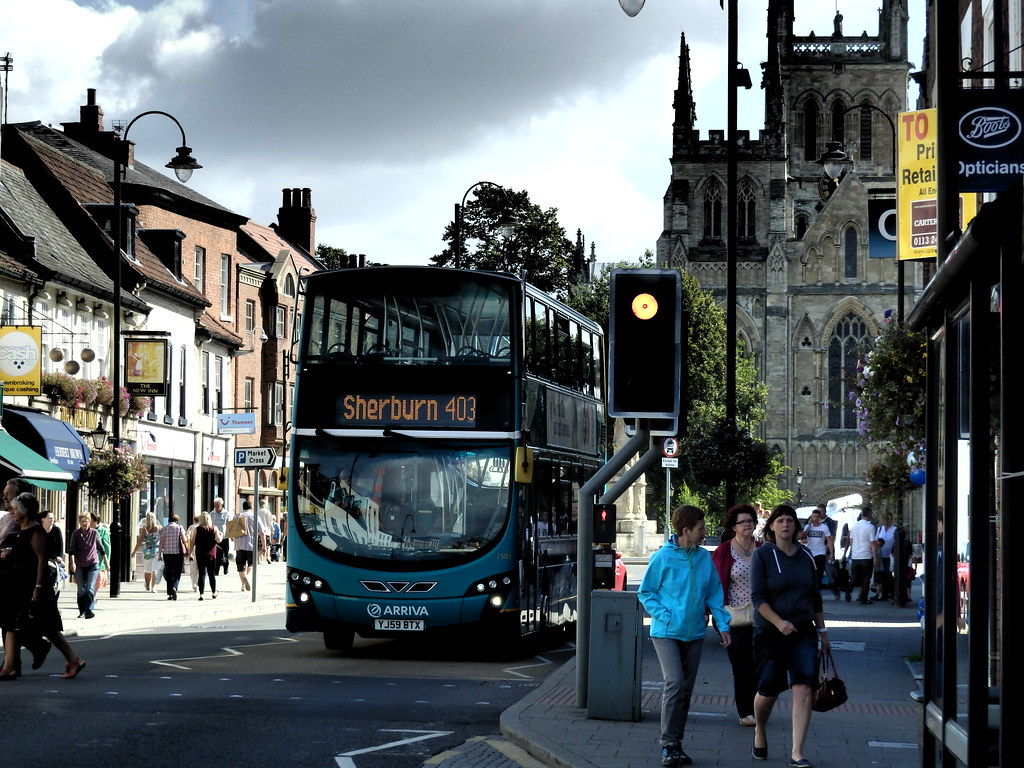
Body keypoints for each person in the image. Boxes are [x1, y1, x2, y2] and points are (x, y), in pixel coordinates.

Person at [639, 505, 731, 767]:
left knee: (686, 691)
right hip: (666, 632)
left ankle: (676, 744)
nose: (704, 533)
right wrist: (665, 615)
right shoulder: (663, 557)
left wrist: (723, 626)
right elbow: (646, 592)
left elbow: (714, 594)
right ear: (685, 531)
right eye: (701, 529)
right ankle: (667, 744)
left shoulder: (704, 558)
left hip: (695, 633)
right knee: (675, 683)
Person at [750, 504, 829, 768]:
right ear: (771, 526)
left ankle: (797, 753)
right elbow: (758, 597)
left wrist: (823, 632)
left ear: (796, 526)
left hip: (803, 631)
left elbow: (815, 595)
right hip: (769, 631)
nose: (785, 525)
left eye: (790, 520)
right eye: (780, 520)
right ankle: (760, 728)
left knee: (804, 686)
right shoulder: (762, 555)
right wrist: (778, 622)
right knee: (769, 688)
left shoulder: (806, 556)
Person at [0, 492, 85, 680]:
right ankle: (10, 666)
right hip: (22, 587)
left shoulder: (35, 531)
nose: (11, 511)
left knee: (45, 627)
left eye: (14, 508)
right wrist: (9, 554)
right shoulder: (24, 530)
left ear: (24, 510)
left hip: (34, 588)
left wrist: (38, 587)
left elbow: (41, 560)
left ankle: (72, 660)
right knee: (17, 625)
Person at [712, 504, 762, 727]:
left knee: (759, 665)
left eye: (750, 520)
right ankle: (746, 711)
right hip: (733, 617)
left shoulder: (762, 549)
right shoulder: (724, 551)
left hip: (762, 617)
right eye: (743, 522)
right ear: (733, 527)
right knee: (742, 666)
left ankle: (759, 706)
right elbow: (713, 586)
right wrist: (710, 614)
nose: (748, 524)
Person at [68, 513, 100, 619]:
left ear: (90, 522)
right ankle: (82, 611)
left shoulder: (95, 533)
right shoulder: (75, 534)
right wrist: (72, 563)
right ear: (79, 522)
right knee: (81, 590)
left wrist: (106, 562)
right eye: (82, 521)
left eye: (86, 521)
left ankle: (89, 610)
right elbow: (72, 550)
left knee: (89, 589)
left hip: (92, 563)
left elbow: (100, 547)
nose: (84, 523)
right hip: (80, 564)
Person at [231, 501, 265, 591]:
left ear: (243, 507)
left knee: (240, 566)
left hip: (239, 545)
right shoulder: (255, 516)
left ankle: (243, 584)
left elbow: (232, 530)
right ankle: (248, 577)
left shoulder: (237, 516)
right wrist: (264, 546)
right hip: (251, 545)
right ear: (251, 507)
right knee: (252, 563)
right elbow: (262, 532)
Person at [847, 506, 878, 604]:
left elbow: (851, 541)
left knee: (855, 576)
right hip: (866, 555)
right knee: (866, 578)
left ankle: (848, 590)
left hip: (856, 556)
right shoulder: (870, 527)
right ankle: (863, 598)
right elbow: (872, 543)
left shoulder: (854, 526)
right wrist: (875, 557)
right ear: (869, 515)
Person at [797, 507, 833, 589]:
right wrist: (809, 525)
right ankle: (811, 588)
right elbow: (803, 536)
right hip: (810, 552)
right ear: (811, 517)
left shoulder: (824, 527)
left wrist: (831, 554)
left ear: (820, 517)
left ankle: (817, 588)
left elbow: (829, 541)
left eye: (817, 516)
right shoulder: (808, 526)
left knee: (819, 572)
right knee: (810, 572)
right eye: (814, 516)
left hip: (820, 552)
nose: (815, 518)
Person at [189, 511, 221, 600]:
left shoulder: (197, 529)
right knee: (211, 574)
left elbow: (192, 542)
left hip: (200, 554)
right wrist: (220, 535)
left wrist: (190, 553)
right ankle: (214, 592)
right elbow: (218, 540)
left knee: (202, 574)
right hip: (211, 554)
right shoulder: (214, 528)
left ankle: (201, 594)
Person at [159, 513, 188, 601]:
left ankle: (170, 594)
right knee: (177, 572)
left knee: (169, 573)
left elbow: (161, 542)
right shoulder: (179, 527)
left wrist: (160, 553)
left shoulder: (164, 528)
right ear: (176, 520)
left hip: (167, 553)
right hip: (177, 553)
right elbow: (184, 539)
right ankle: (175, 587)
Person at [131, 512, 162, 592]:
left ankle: (147, 584)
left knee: (147, 570)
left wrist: (134, 552)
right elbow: (162, 539)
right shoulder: (158, 528)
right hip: (156, 550)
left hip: (147, 551)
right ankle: (153, 587)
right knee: (154, 570)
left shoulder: (144, 529)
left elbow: (139, 541)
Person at [874, 513, 897, 601]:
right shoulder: (880, 529)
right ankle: (884, 593)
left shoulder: (895, 529)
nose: (886, 521)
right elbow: (876, 541)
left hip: (890, 556)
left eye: (888, 519)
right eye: (885, 519)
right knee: (882, 575)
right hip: (881, 555)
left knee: (888, 573)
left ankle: (892, 592)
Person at [208, 497, 231, 575]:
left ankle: (226, 566)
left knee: (225, 553)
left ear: (221, 504)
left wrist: (231, 535)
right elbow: (210, 525)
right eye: (215, 505)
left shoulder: (226, 513)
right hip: (215, 537)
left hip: (224, 537)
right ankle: (216, 570)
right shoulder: (212, 514)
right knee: (216, 555)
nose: (216, 506)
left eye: (218, 505)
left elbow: (230, 525)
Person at [91, 512, 111, 592]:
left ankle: (94, 596)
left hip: (99, 560)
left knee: (97, 580)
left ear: (95, 521)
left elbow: (107, 547)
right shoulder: (87, 530)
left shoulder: (103, 531)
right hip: (88, 559)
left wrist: (107, 561)